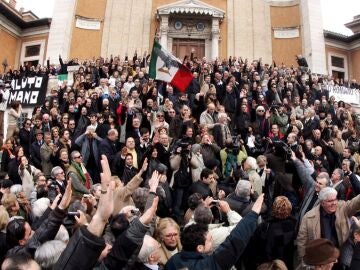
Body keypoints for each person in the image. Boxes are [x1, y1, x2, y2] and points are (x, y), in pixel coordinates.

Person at [165, 194, 264, 270]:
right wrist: (230, 211)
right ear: (200, 248)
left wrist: (202, 207)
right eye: (209, 240)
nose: (211, 238)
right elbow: (234, 241)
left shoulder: (172, 261)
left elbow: (192, 221)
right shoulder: (209, 265)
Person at [297, 187, 360, 265]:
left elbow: (355, 203)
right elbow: (302, 241)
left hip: (340, 257)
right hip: (321, 259)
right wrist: (304, 260)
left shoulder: (342, 207)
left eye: (335, 199)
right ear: (322, 202)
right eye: (330, 201)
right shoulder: (309, 217)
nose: (334, 203)